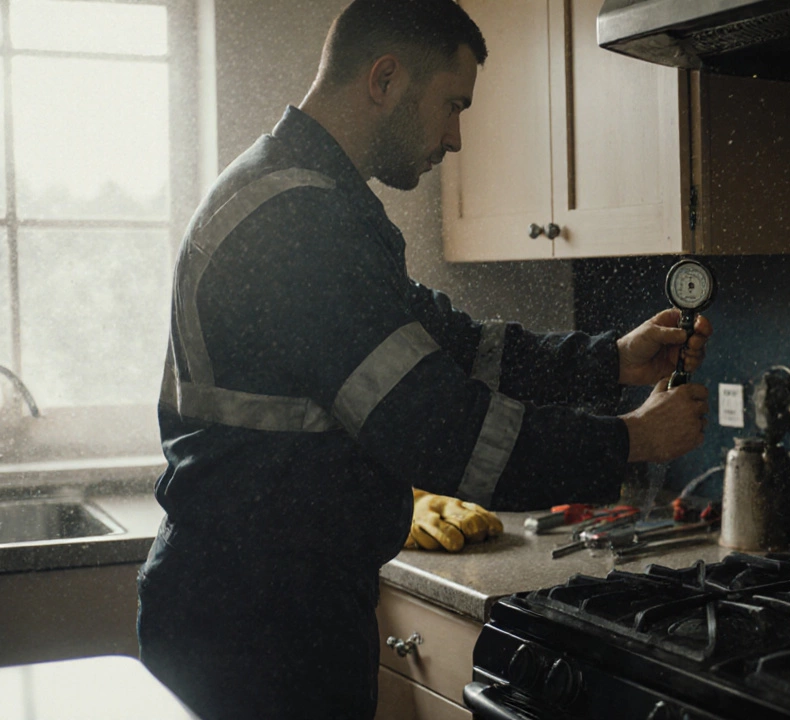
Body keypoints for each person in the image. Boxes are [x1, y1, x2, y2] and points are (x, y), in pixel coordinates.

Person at [135, 1, 712, 718]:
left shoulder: (313, 203)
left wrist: (611, 361)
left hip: (263, 605)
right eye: (452, 104)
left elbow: (455, 345)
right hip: (257, 627)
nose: (455, 137)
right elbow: (439, 429)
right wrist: (632, 440)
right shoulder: (297, 220)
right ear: (384, 78)